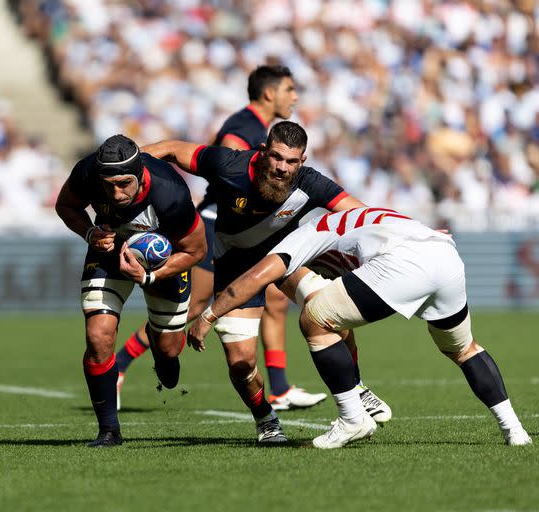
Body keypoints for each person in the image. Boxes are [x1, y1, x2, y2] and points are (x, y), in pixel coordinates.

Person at [188, 206, 533, 448]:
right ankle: (514, 430)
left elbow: (259, 277)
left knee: (315, 318)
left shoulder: (305, 234)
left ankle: (352, 417)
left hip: (404, 264)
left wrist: (208, 316)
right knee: (463, 349)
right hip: (445, 257)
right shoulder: (353, 218)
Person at [137, 121, 390, 443]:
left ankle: (356, 388)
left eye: (291, 161)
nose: (282, 168)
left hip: (282, 260)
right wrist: (131, 164)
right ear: (263, 152)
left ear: (303, 161)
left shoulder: (311, 183)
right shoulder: (230, 165)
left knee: (331, 309)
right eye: (276, 157)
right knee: (242, 364)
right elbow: (172, 149)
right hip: (233, 265)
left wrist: (408, 233)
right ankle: (266, 420)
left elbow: (361, 214)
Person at [116, 65, 327, 412]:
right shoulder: (244, 127)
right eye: (290, 89)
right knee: (197, 305)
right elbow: (231, 173)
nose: (295, 96)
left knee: (274, 300)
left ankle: (279, 387)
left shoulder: (260, 128)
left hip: (250, 228)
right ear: (269, 93)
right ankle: (120, 365)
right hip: (220, 223)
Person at [55, 134, 207, 447]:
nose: (115, 192)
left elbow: (196, 251)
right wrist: (89, 232)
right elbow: (66, 205)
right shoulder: (87, 172)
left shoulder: (171, 193)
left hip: (164, 264)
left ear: (139, 175)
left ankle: (161, 347)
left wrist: (150, 277)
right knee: (98, 336)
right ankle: (109, 430)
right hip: (107, 251)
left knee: (169, 351)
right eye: (108, 184)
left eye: (123, 183)